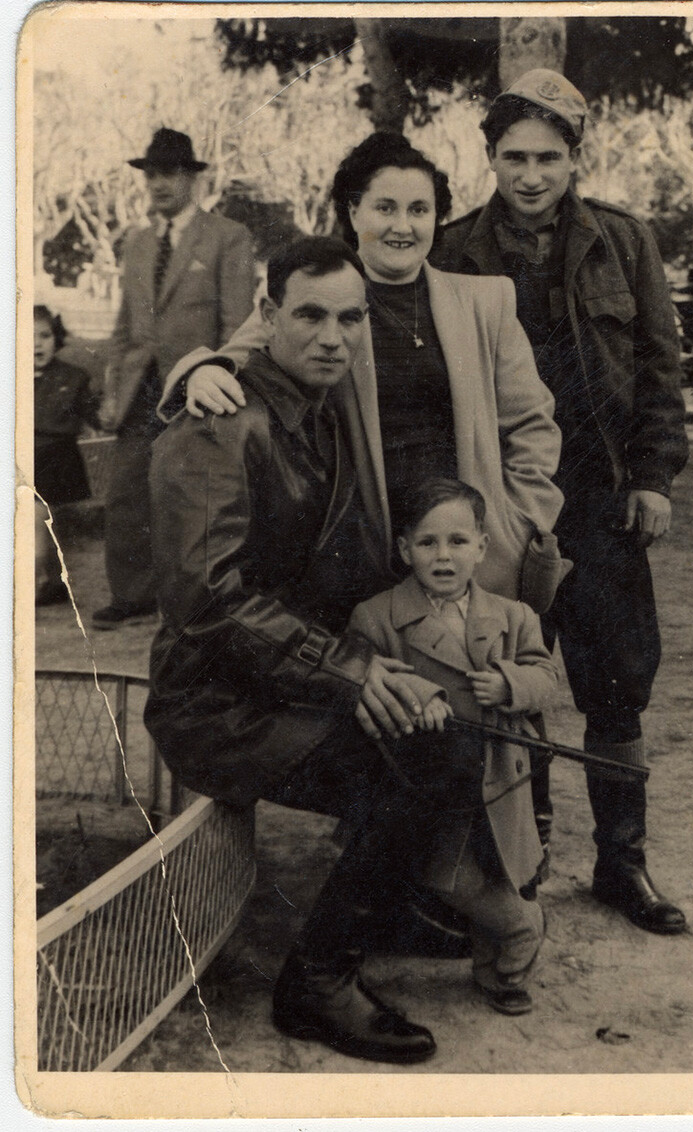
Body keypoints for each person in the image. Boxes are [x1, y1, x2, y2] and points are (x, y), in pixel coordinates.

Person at [145, 235, 439, 1065]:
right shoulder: (217, 421)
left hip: (281, 682)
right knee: (414, 759)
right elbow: (207, 602)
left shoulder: (324, 411)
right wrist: (349, 672)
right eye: (309, 314)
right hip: (214, 704)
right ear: (267, 315)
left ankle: (374, 907)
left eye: (350, 318)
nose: (332, 336)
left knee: (436, 729)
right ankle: (316, 983)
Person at [430, 70, 690, 935]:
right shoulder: (454, 246)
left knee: (616, 684)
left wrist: (652, 477)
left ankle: (624, 864)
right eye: (513, 157)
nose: (530, 175)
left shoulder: (624, 241)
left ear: (576, 157)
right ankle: (523, 862)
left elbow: (658, 366)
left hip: (602, 499)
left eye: (548, 157)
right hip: (499, 505)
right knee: (513, 678)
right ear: (490, 158)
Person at [162, 131, 564, 608]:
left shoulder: (486, 301)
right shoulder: (327, 297)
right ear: (353, 213)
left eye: (419, 210)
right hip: (363, 555)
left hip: (470, 557)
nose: (403, 226)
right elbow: (237, 354)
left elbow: (532, 424)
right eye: (385, 208)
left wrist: (516, 523)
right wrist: (201, 371)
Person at [348, 478, 556, 1015]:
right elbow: (365, 683)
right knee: (450, 873)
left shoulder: (514, 616)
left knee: (499, 866)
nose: (444, 556)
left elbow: (545, 677)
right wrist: (419, 697)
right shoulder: (377, 617)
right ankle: (522, 927)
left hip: (501, 777)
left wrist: (510, 684)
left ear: (482, 548)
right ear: (403, 550)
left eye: (458, 542)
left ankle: (499, 975)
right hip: (431, 782)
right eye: (427, 543)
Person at [93, 128, 255, 630]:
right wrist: (113, 388)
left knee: (193, 493)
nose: (158, 184)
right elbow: (124, 326)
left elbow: (237, 323)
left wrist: (225, 379)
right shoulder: (139, 243)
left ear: (192, 178)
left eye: (170, 173)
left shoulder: (228, 237)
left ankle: (197, 597)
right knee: (125, 492)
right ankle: (133, 595)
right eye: (151, 174)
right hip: (140, 388)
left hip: (195, 385)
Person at [33, 304, 101, 606]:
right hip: (21, 459)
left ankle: (39, 582)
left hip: (56, 459)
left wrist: (106, 414)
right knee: (37, 523)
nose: (36, 343)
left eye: (45, 335)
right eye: (28, 336)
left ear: (56, 337)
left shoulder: (73, 377)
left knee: (39, 521)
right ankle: (48, 581)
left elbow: (96, 415)